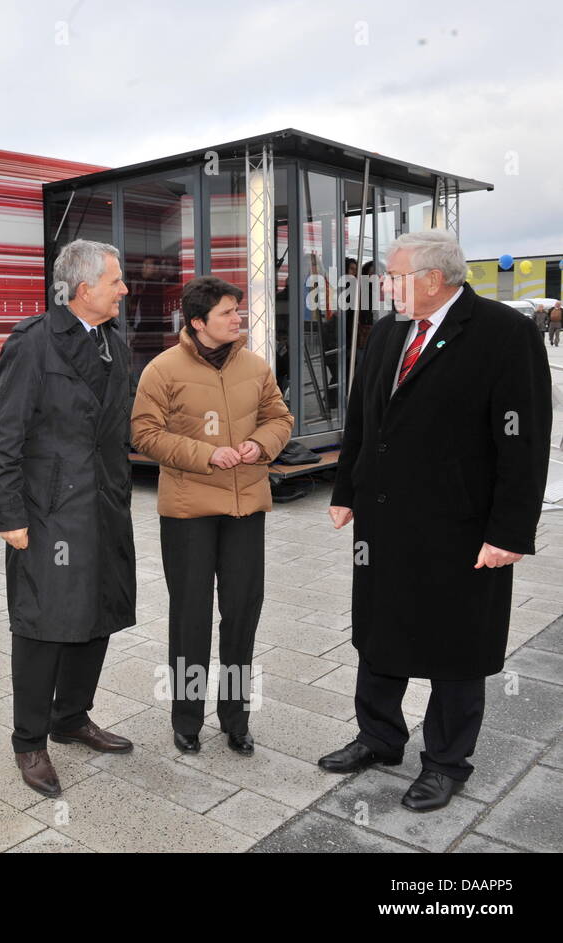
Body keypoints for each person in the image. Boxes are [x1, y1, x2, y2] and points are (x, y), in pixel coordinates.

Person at [321, 229, 551, 812]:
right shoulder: (389, 332)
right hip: (385, 524)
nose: (382, 287)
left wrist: (509, 532)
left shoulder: (504, 333)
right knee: (379, 634)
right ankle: (378, 737)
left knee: (456, 646)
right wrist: (346, 489)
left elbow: (524, 444)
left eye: (393, 276)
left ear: (433, 279)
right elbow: (363, 417)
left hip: (462, 530)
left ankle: (447, 762)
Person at [0, 238, 137, 798]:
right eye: (116, 281)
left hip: (102, 505)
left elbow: (117, 428)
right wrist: (9, 514)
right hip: (48, 513)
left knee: (96, 612)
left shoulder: (114, 344)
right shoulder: (33, 343)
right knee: (42, 623)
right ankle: (30, 741)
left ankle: (71, 717)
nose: (124, 289)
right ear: (84, 288)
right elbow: (4, 435)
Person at [130, 276, 293, 755]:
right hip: (188, 512)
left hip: (246, 510)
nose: (237, 319)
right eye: (227, 312)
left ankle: (236, 719)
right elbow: (144, 433)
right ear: (198, 322)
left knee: (242, 615)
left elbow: (279, 419)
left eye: (237, 311)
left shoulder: (256, 366)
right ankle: (186, 719)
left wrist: (259, 444)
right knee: (191, 618)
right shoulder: (161, 370)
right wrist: (206, 454)